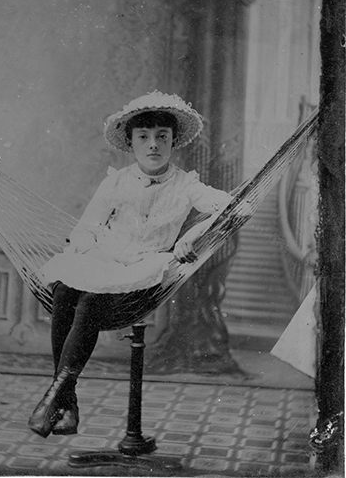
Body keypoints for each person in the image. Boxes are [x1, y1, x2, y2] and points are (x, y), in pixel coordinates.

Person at [28, 90, 233, 438]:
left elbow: (232, 206)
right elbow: (88, 227)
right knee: (64, 291)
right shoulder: (117, 181)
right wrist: (83, 249)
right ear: (132, 143)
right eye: (144, 138)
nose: (153, 145)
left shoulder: (186, 184)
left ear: (173, 142)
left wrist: (193, 234)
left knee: (90, 301)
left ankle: (57, 398)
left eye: (161, 137)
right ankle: (64, 401)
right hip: (105, 258)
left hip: (145, 268)